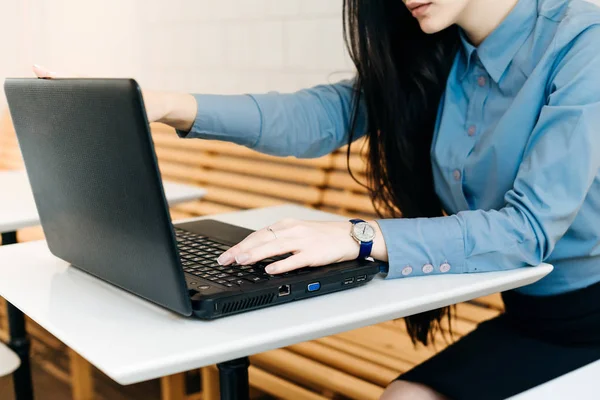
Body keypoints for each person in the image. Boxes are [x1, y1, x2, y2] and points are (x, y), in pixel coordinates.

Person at [34, 0, 600, 398]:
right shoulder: (438, 52)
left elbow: (528, 230)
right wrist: (161, 102)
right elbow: (316, 114)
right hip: (529, 314)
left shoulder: (582, 41)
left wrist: (359, 236)